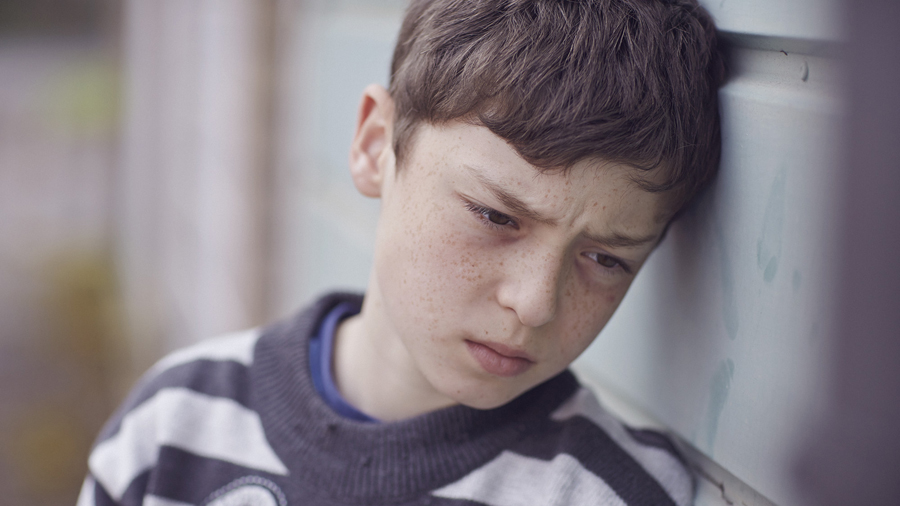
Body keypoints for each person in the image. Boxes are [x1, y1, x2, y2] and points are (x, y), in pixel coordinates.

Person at [78, 0, 724, 504]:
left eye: (606, 259)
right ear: (374, 145)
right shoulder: (177, 425)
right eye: (497, 216)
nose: (532, 303)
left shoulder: (608, 493)